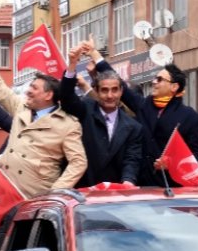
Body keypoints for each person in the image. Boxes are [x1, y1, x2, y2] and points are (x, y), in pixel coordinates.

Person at [0, 34, 87, 198]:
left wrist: (56, 192)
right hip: (5, 191)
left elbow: (78, 162)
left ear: (48, 95)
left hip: (35, 199)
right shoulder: (21, 108)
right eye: (30, 86)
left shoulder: (67, 124)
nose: (28, 91)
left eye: (34, 88)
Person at [85, 41, 198, 187]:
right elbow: (119, 82)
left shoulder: (191, 118)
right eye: (155, 78)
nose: (154, 82)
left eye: (160, 79)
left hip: (170, 189)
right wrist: (95, 54)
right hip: (139, 187)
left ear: (174, 87)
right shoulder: (144, 106)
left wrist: (171, 163)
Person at [59, 45, 143, 188]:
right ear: (96, 91)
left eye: (114, 90)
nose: (110, 96)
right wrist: (72, 65)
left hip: (114, 196)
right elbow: (66, 97)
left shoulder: (133, 127)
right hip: (82, 193)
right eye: (104, 90)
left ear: (121, 92)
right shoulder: (85, 110)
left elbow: (132, 159)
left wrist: (128, 181)